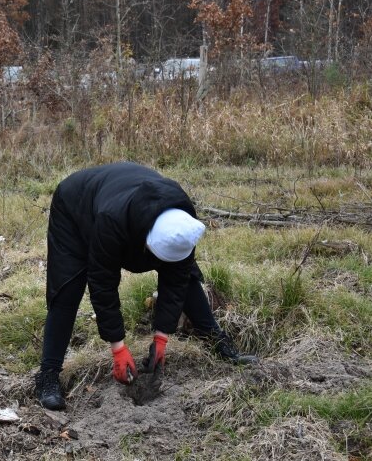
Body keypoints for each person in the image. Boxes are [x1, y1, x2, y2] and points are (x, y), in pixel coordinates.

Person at [35, 162, 256, 410]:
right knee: (67, 289)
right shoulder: (112, 221)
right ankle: (48, 377)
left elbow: (176, 280)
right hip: (77, 208)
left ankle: (220, 344)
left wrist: (161, 338)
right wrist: (118, 347)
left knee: (186, 277)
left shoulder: (182, 219)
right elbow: (102, 283)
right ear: (146, 242)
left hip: (126, 199)